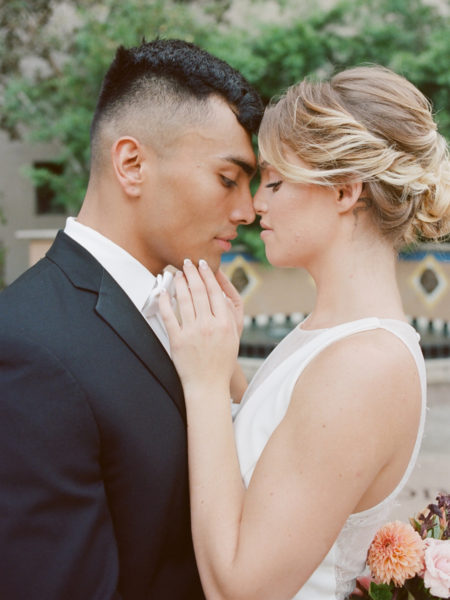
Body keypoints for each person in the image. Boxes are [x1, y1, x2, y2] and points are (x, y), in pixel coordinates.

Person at [159, 65, 450, 600]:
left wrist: (202, 384)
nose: (254, 206)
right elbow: (280, 451)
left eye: (274, 180)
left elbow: (243, 589)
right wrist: (228, 373)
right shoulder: (332, 337)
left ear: (344, 191)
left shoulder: (364, 366)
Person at [0, 39, 263, 599]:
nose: (246, 211)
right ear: (132, 164)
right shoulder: (27, 348)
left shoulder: (197, 318)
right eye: (227, 179)